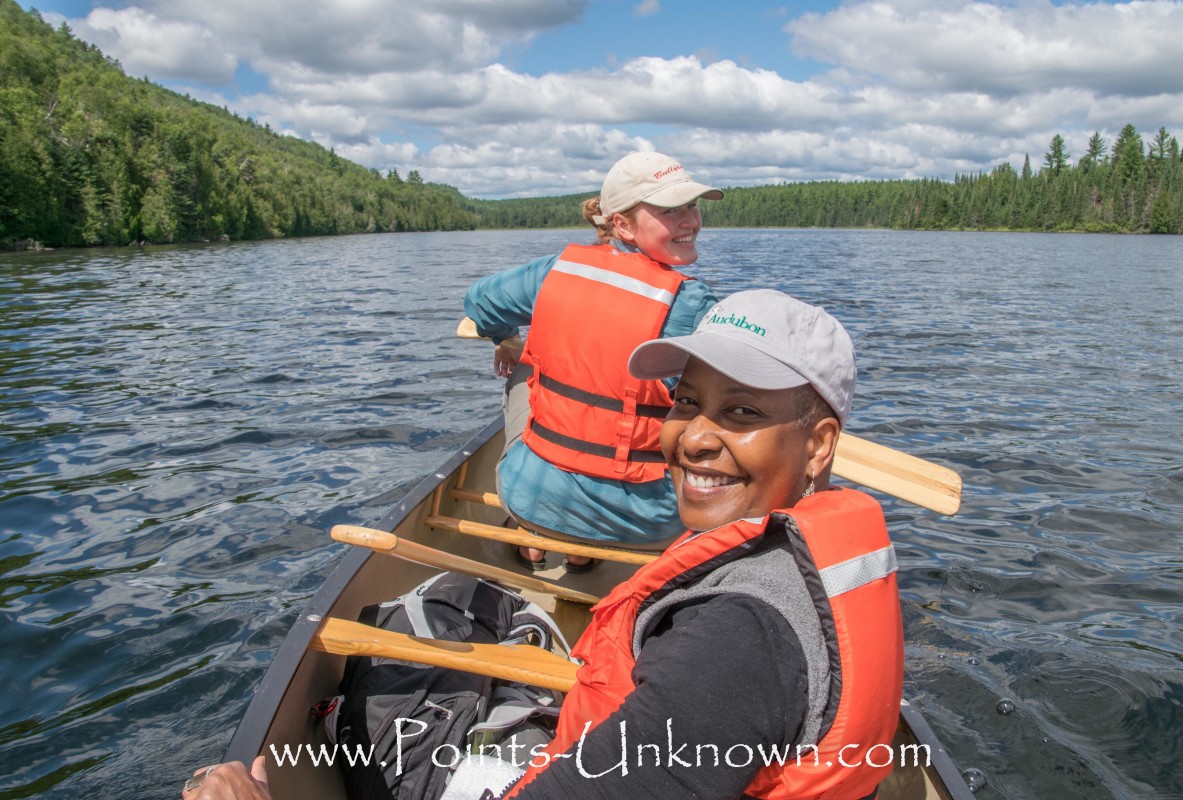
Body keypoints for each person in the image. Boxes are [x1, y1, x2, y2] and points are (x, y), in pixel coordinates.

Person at [187, 291, 905, 800]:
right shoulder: (797, 559)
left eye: (741, 412)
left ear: (819, 446)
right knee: (469, 596)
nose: (694, 438)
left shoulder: (737, 641)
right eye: (686, 402)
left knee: (388, 668)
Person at [462, 151, 723, 571]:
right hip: (648, 526)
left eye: (691, 205)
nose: (691, 220)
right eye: (670, 210)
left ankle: (541, 540)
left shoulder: (553, 271)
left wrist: (506, 339)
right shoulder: (693, 305)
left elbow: (480, 302)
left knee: (526, 366)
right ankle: (581, 552)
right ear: (622, 225)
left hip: (528, 500)